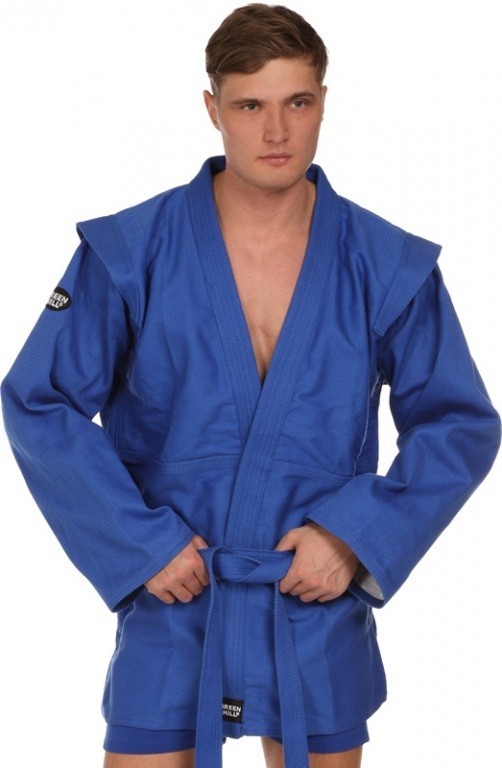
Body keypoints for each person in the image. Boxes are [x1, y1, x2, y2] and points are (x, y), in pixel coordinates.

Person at [1, 4, 500, 768]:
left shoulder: (385, 262)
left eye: (297, 102)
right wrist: (141, 545)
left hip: (313, 596)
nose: (276, 131)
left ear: (323, 102)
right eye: (249, 106)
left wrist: (353, 538)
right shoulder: (131, 251)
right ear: (213, 109)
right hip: (177, 592)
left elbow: (458, 423)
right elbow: (39, 400)